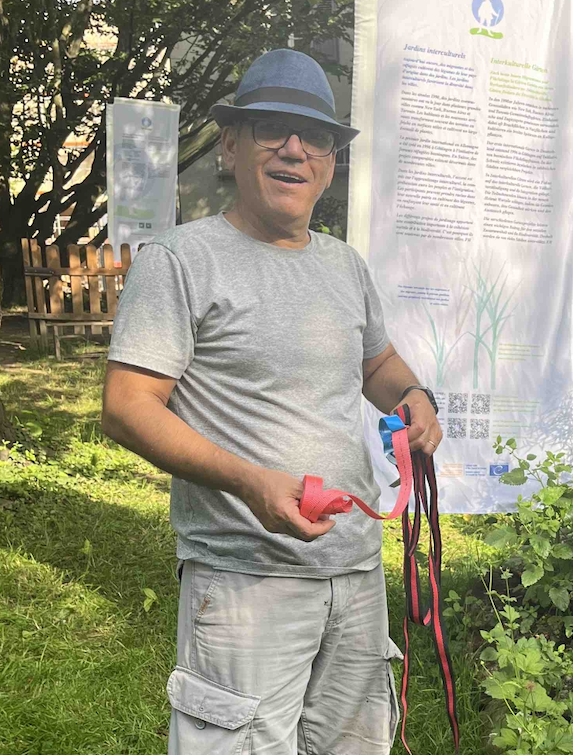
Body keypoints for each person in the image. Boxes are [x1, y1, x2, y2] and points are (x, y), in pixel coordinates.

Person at [102, 49, 442, 754]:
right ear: (230, 145)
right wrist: (252, 483)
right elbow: (128, 405)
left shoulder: (343, 263)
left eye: (313, 135)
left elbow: (374, 359)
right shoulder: (181, 260)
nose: (294, 148)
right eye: (271, 129)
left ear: (330, 161)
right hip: (243, 579)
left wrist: (412, 395)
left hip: (352, 575)